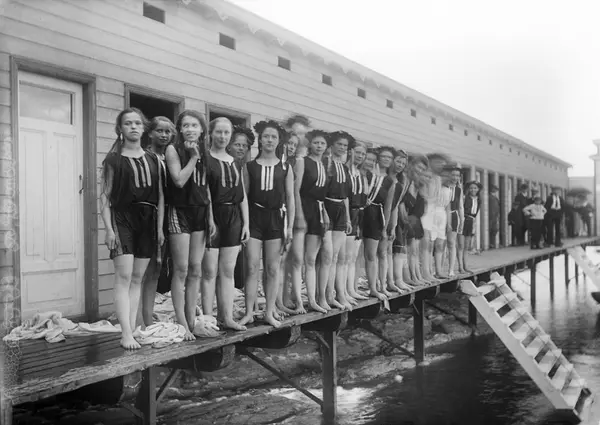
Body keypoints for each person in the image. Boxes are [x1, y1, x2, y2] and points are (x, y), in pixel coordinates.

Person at [100, 108, 165, 350]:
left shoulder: (154, 160)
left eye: (138, 123)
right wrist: (109, 229)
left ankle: (134, 328)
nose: (134, 127)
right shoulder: (113, 160)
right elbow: (105, 197)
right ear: (120, 129)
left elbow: (161, 197)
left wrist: (159, 228)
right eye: (128, 123)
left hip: (148, 221)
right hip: (123, 219)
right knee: (124, 276)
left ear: (144, 127)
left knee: (137, 278)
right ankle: (125, 333)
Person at [165, 110, 216, 340]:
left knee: (196, 269)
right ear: (179, 129)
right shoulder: (173, 150)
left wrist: (211, 217)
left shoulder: (206, 152)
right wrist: (193, 158)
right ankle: (182, 323)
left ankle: (192, 320)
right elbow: (178, 180)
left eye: (194, 125)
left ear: (202, 129)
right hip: (180, 211)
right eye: (185, 125)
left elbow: (207, 188)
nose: (190, 129)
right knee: (182, 269)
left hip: (200, 213)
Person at [240, 120, 294, 327]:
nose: (269, 140)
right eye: (266, 136)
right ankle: (249, 312)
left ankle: (269, 312)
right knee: (252, 266)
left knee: (272, 268)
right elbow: (244, 196)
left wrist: (289, 227)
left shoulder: (285, 167)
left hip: (275, 219)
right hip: (254, 218)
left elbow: (290, 198)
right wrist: (245, 223)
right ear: (260, 140)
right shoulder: (249, 166)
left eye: (273, 137)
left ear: (278, 141)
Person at [201, 117, 250, 331]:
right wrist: (210, 219)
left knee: (228, 270)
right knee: (209, 271)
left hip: (233, 217)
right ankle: (208, 319)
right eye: (219, 132)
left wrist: (246, 223)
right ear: (211, 133)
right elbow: (205, 193)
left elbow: (242, 196)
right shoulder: (204, 159)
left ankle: (227, 317)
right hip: (212, 216)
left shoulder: (235, 162)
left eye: (226, 133)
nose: (222, 136)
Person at [139, 116, 175, 328]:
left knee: (156, 268)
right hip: (148, 215)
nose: (164, 135)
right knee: (143, 269)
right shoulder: (145, 156)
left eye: (167, 131)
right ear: (150, 133)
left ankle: (148, 315)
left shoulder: (171, 157)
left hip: (169, 214)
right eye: (159, 131)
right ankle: (139, 320)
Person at [290, 129, 330, 313]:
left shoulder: (324, 165)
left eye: (322, 143)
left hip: (318, 211)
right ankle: (298, 301)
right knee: (297, 259)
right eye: (316, 143)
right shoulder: (302, 162)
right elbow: (295, 190)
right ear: (309, 144)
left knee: (311, 259)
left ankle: (312, 300)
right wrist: (299, 215)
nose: (319, 146)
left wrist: (325, 213)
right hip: (303, 208)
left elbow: (323, 194)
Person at [320, 131, 354, 311]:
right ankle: (322, 295)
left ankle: (333, 295)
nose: (342, 148)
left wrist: (347, 217)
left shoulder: (345, 168)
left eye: (345, 146)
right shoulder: (326, 163)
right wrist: (324, 211)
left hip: (341, 209)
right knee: (326, 255)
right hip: (327, 207)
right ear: (332, 145)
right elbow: (320, 191)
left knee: (334, 256)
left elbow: (346, 195)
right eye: (339, 144)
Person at [363, 147, 396, 300]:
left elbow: (388, 206)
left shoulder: (390, 181)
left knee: (372, 254)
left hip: (376, 215)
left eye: (389, 157)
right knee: (352, 255)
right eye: (383, 156)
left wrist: (385, 227)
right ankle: (351, 288)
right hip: (362, 211)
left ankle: (375, 287)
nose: (386, 159)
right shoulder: (368, 174)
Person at [343, 141, 370, 302]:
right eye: (357, 152)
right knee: (345, 257)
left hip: (359, 215)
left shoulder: (361, 174)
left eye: (363, 154)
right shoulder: (345, 171)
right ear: (351, 151)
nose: (360, 156)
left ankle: (351, 289)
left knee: (353, 257)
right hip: (348, 213)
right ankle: (342, 291)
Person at [399, 155, 429, 286]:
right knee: (406, 250)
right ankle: (408, 277)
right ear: (411, 165)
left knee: (414, 251)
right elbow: (402, 202)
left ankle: (416, 276)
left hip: (415, 220)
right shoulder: (405, 180)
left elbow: (422, 207)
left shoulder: (418, 184)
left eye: (423, 169)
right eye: (419, 167)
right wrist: (405, 220)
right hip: (405, 218)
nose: (420, 170)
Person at [420, 153, 451, 281]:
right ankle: (426, 272)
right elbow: (423, 195)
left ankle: (435, 270)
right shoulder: (425, 175)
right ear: (430, 162)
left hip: (435, 213)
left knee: (436, 243)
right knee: (426, 243)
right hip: (425, 211)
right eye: (438, 162)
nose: (441, 166)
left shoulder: (438, 179)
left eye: (443, 164)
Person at [387, 149, 411, 291]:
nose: (400, 165)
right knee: (382, 252)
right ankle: (386, 281)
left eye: (403, 163)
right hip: (380, 214)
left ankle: (396, 280)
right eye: (398, 161)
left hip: (394, 216)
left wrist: (394, 224)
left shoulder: (403, 181)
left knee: (394, 250)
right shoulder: (385, 177)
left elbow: (396, 204)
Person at [458, 181, 482, 274]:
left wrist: (474, 224)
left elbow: (475, 213)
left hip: (471, 222)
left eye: (475, 188)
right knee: (461, 245)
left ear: (478, 189)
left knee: (466, 246)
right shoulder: (464, 198)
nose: (473, 189)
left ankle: (465, 266)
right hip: (463, 220)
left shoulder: (479, 199)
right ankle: (460, 267)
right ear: (468, 189)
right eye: (471, 188)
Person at [446, 166, 464, 276]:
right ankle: (438, 269)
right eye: (453, 175)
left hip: (454, 216)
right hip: (442, 215)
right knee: (440, 244)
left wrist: (462, 220)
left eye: (457, 175)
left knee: (451, 243)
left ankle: (451, 269)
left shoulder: (459, 189)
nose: (455, 177)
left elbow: (460, 206)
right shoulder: (444, 186)